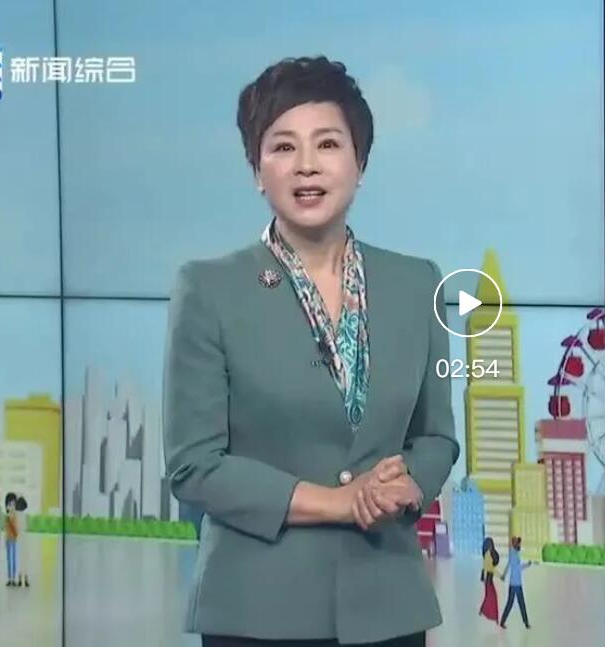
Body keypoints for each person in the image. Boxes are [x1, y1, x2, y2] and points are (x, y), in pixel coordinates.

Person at [164, 55, 460, 647]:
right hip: (255, 612)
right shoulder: (208, 288)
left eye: (327, 143)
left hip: (390, 610)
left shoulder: (417, 283)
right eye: (282, 147)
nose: (306, 165)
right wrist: (339, 502)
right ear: (257, 169)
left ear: (360, 162)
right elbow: (194, 466)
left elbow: (436, 437)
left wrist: (409, 484)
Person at [499, 536, 533, 629]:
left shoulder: (516, 553)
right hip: (515, 584)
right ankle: (504, 621)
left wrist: (527, 564)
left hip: (517, 583)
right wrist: (504, 575)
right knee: (514, 603)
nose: (519, 544)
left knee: (518, 603)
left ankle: (525, 623)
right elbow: (512, 566)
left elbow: (516, 567)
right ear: (514, 544)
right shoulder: (513, 553)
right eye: (518, 543)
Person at [479, 537, 500, 624]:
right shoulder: (488, 555)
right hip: (488, 581)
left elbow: (486, 568)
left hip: (488, 580)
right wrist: (500, 575)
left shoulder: (488, 554)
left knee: (489, 597)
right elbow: (490, 568)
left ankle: (483, 611)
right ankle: (494, 617)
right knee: (492, 597)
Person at [3, 492, 19, 586]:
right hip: (9, 539)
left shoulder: (15, 516)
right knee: (9, 559)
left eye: (13, 504)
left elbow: (16, 528)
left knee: (14, 559)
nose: (12, 506)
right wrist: (5, 540)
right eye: (10, 504)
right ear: (7, 505)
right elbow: (6, 530)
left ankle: (13, 578)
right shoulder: (7, 517)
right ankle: (10, 579)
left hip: (14, 540)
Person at [14, 496, 30, 587]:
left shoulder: (15, 516)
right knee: (25, 559)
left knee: (18, 559)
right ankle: (26, 579)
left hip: (17, 539)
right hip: (25, 539)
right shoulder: (25, 516)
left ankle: (19, 579)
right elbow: (27, 527)